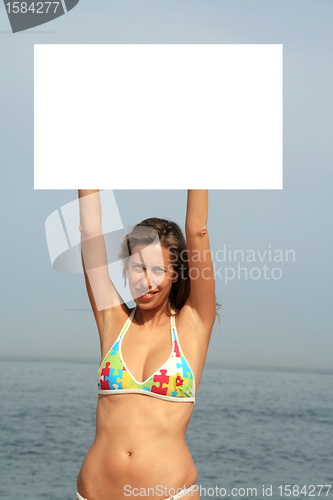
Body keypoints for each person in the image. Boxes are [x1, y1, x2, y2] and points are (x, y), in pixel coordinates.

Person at [76, 189, 217, 500]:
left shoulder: (193, 324)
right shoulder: (112, 321)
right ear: (126, 269)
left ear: (176, 274)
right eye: (138, 267)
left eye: (158, 270)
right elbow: (90, 231)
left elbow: (197, 230)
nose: (147, 280)